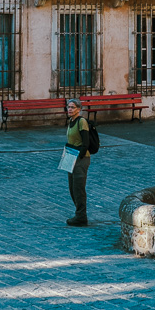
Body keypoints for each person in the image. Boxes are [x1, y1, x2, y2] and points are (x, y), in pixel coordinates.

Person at [65, 97, 90, 226]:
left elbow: (86, 142)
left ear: (79, 109)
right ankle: (78, 213)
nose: (69, 109)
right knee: (72, 188)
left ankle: (81, 216)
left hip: (80, 158)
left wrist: (79, 156)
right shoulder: (71, 121)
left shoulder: (82, 122)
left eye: (72, 107)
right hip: (70, 157)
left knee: (78, 188)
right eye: (68, 107)